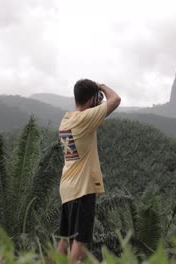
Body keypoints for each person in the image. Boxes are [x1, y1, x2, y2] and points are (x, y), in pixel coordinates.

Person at [57, 79, 121, 263]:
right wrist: (101, 86)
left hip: (67, 188)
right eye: (96, 98)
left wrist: (94, 96)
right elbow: (115, 100)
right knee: (80, 242)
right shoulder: (85, 119)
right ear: (91, 99)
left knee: (64, 240)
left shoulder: (66, 119)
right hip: (82, 189)